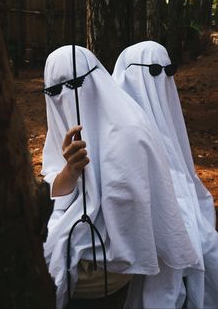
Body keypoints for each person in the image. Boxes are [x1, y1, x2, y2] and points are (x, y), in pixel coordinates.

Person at [42, 45, 200, 309]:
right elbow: (53, 187)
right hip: (76, 248)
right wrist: (69, 172)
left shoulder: (130, 134)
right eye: (54, 91)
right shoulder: (63, 122)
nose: (67, 97)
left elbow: (129, 226)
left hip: (111, 263)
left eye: (77, 83)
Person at [113, 40, 218, 309]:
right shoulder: (119, 132)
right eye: (154, 72)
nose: (161, 80)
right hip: (133, 239)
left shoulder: (165, 116)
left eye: (167, 71)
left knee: (205, 243)